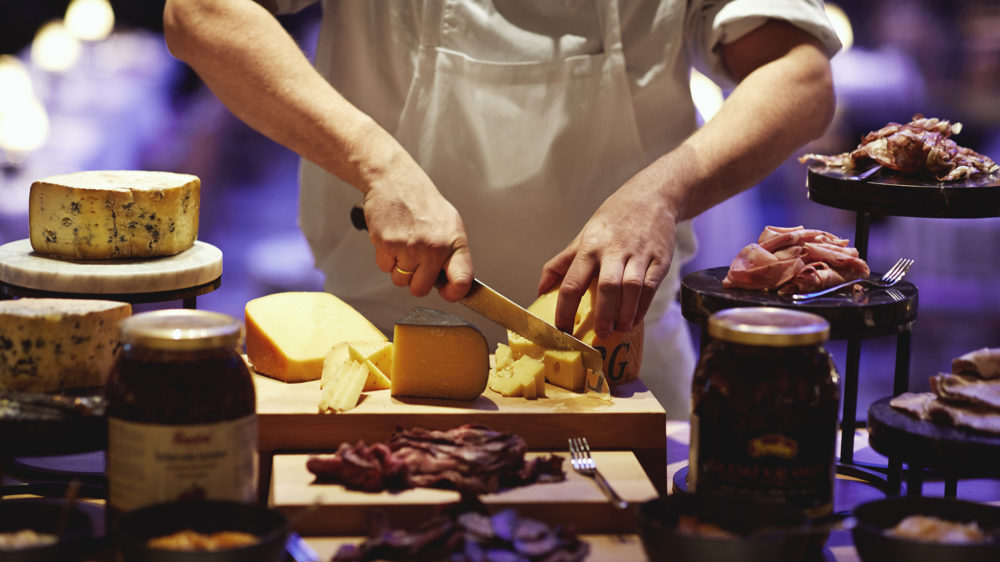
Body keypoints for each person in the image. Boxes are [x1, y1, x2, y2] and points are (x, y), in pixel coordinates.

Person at [163, 0, 840, 418]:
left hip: (618, 368)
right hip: (386, 361)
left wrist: (662, 192)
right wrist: (377, 162)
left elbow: (800, 77)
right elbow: (199, 13)